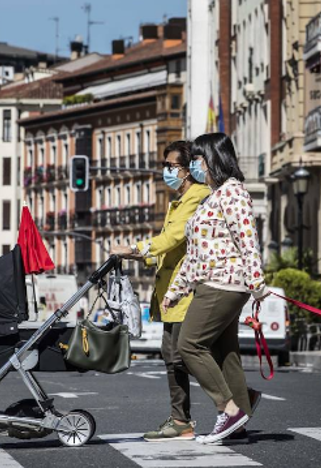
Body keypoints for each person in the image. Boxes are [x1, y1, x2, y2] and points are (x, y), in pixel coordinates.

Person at [163, 133, 269, 445]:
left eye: (196, 159)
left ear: (211, 159)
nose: (192, 165)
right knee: (226, 354)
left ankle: (230, 409)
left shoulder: (233, 193)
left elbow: (247, 239)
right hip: (213, 281)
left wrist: (257, 281)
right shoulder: (214, 195)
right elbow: (197, 251)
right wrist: (176, 289)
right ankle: (240, 420)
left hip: (223, 283)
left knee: (190, 344)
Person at [111, 141, 210, 441]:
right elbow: (170, 248)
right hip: (171, 293)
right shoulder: (178, 201)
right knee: (173, 355)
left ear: (186, 169)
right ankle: (182, 419)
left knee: (185, 355)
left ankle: (236, 401)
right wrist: (140, 255)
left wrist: (136, 248)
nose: (166, 171)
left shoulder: (198, 197)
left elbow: (173, 237)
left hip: (187, 291)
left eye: (171, 166)